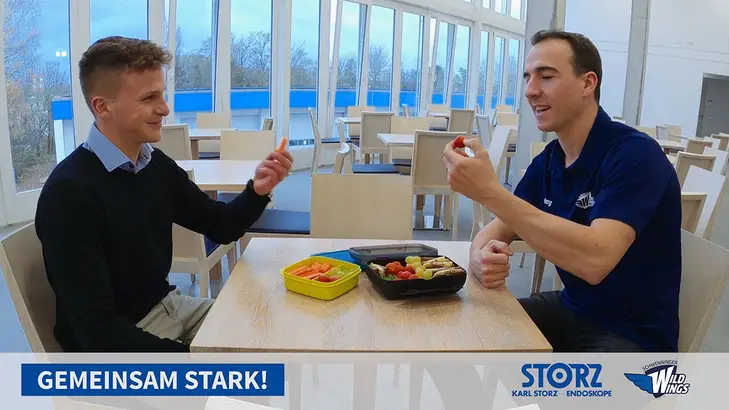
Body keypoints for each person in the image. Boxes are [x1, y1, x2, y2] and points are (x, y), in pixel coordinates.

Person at [34, 36, 293, 352]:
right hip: (119, 344)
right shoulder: (69, 195)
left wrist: (258, 190)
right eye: (149, 98)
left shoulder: (154, 166)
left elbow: (221, 226)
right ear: (102, 106)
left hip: (167, 307)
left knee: (273, 330)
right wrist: (196, 363)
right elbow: (98, 334)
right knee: (246, 367)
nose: (165, 108)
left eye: (163, 94)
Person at [443, 30, 681, 352]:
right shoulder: (550, 161)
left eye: (546, 76)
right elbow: (493, 231)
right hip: (571, 309)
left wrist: (490, 192)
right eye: (528, 77)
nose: (530, 90)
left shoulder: (635, 155)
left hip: (630, 334)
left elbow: (595, 261)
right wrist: (480, 257)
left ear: (588, 84)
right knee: (462, 332)